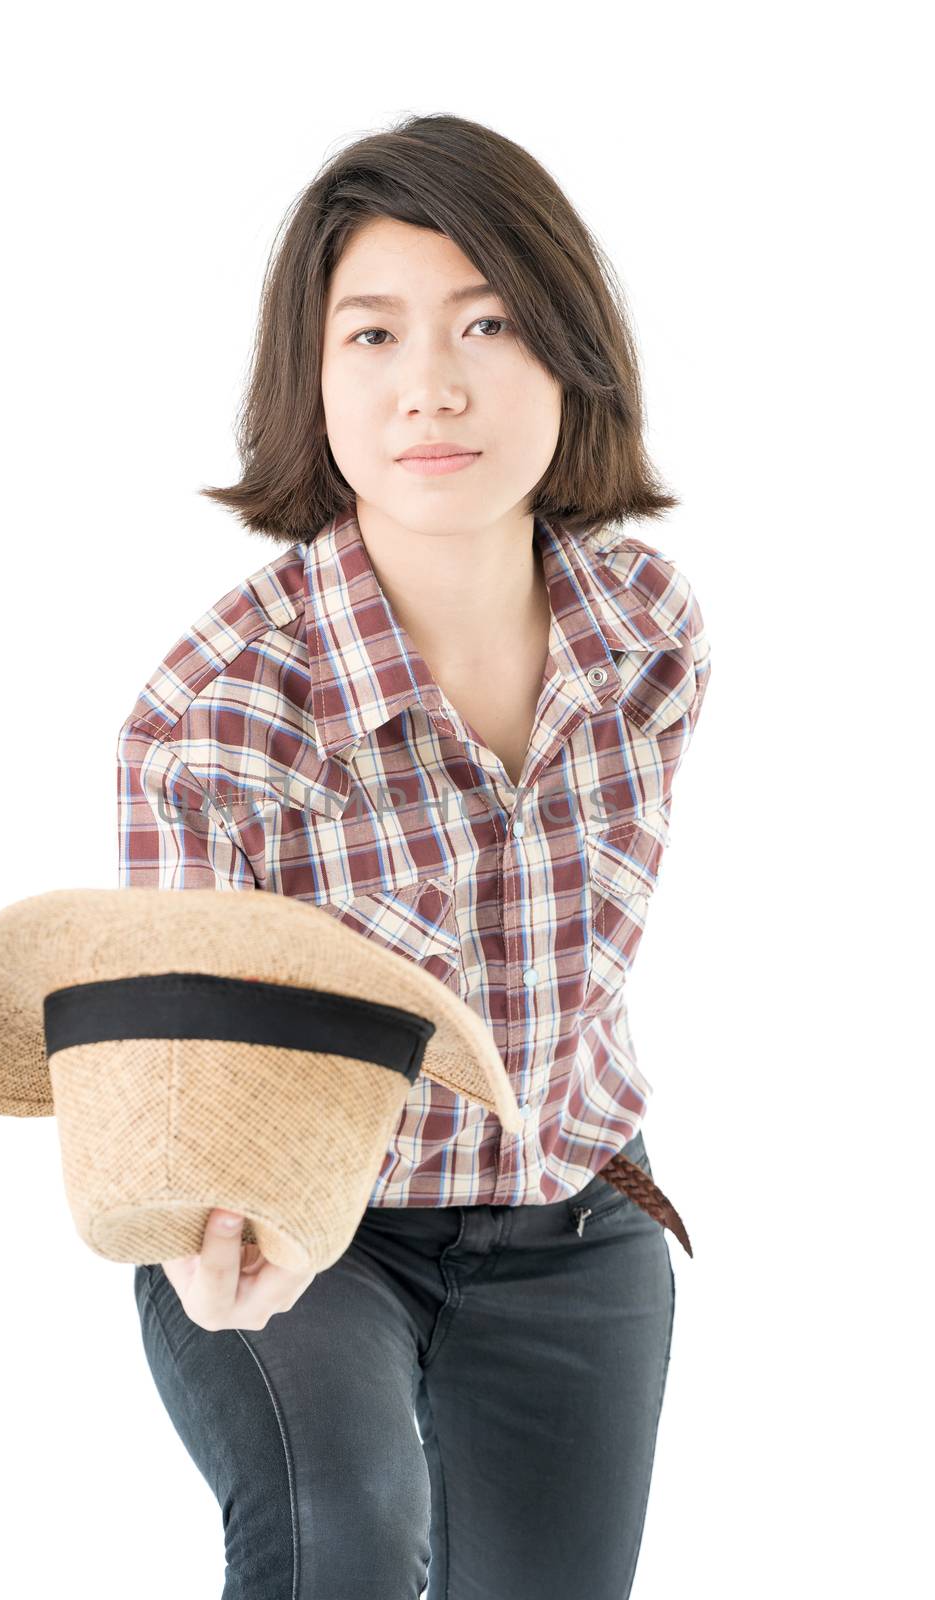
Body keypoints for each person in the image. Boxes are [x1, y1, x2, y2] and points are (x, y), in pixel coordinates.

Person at [117, 111, 711, 1600]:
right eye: (371, 335)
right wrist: (216, 1232)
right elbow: (190, 1088)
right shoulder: (217, 714)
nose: (431, 386)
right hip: (305, 1237)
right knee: (348, 1544)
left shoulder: (648, 634)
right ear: (309, 382)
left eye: (489, 324)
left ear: (570, 356)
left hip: (579, 1220)